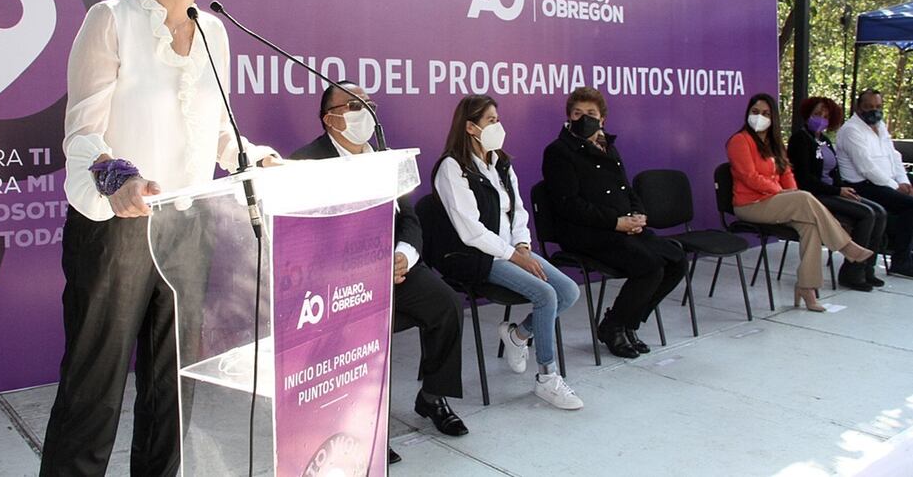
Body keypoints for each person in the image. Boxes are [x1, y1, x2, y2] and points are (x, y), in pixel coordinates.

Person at [40, 0, 278, 476]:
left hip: (189, 229)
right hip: (117, 228)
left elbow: (218, 133)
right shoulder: (111, 20)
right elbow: (82, 135)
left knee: (173, 389)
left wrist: (255, 156)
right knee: (92, 392)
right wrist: (118, 177)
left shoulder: (215, 32)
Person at [290, 82, 468, 464]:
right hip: (340, 282)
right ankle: (363, 427)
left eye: (369, 103)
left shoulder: (385, 157)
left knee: (448, 304)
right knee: (362, 331)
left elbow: (410, 220)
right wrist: (364, 269)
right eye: (354, 104)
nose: (365, 110)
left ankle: (432, 397)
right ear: (330, 118)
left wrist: (403, 255)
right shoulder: (305, 162)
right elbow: (305, 239)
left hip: (393, 270)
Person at [431, 94, 583, 410]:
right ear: (471, 127)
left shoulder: (500, 162)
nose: (498, 126)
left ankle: (517, 336)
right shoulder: (452, 167)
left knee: (567, 291)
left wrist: (523, 245)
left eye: (498, 120)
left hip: (511, 249)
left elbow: (518, 213)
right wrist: (514, 256)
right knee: (546, 295)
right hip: (476, 256)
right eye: (491, 121)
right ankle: (547, 378)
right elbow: (470, 231)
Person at [542, 87, 687, 359]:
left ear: (602, 119)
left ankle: (626, 323)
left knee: (676, 259)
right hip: (585, 232)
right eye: (577, 113)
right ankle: (615, 326)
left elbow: (626, 189)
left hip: (620, 228)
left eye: (591, 114)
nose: (583, 118)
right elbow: (569, 205)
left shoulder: (608, 146)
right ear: (568, 117)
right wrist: (615, 222)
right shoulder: (558, 151)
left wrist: (638, 215)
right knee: (649, 266)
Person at [726, 93, 873, 312]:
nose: (759, 117)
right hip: (751, 205)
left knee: (810, 226)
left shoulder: (775, 143)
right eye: (755, 112)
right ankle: (845, 245)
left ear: (773, 117)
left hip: (775, 201)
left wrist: (790, 194)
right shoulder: (739, 141)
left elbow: (787, 174)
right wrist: (784, 193)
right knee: (803, 198)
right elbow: (749, 177)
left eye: (766, 113)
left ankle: (807, 288)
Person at [787, 96, 887, 291]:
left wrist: (843, 189)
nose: (822, 118)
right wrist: (837, 190)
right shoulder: (800, 139)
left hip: (833, 191)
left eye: (826, 115)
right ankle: (852, 272)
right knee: (866, 215)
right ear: (808, 114)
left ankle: (867, 268)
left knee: (879, 212)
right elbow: (805, 179)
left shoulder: (823, 140)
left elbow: (834, 172)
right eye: (817, 114)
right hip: (814, 196)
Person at [836, 89, 913, 279]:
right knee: (910, 206)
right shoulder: (851, 130)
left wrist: (903, 181)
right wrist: (896, 187)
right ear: (858, 107)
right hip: (862, 186)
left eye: (878, 107)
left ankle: (904, 254)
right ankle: (900, 261)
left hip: (885, 183)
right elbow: (866, 168)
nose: (874, 111)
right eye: (869, 107)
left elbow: (894, 156)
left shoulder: (879, 126)